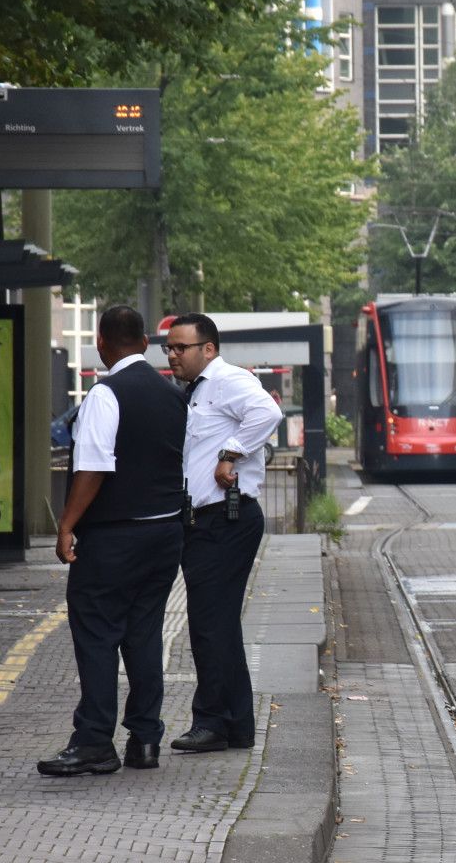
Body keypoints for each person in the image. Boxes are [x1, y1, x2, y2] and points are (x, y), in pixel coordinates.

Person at [38, 305, 187, 777]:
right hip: (165, 533)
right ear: (145, 342)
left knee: (98, 634)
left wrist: (66, 525)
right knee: (144, 634)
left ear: (101, 344)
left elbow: (95, 467)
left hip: (114, 536)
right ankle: (145, 739)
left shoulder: (106, 395)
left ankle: (94, 741)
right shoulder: (172, 395)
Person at [164, 312, 282, 753]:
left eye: (182, 347)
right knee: (218, 624)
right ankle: (236, 725)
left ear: (208, 349)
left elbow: (268, 411)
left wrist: (230, 455)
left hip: (224, 519)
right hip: (207, 521)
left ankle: (212, 721)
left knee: (210, 625)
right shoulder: (196, 391)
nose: (173, 355)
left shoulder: (227, 379)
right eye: (169, 348)